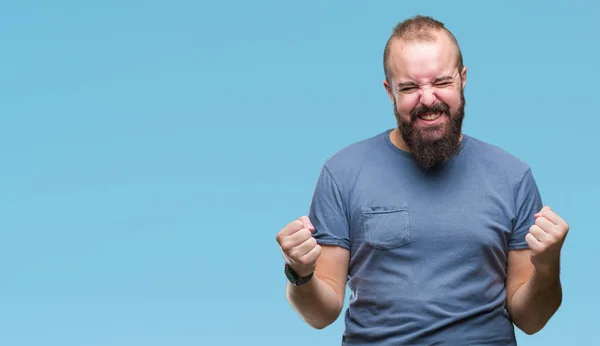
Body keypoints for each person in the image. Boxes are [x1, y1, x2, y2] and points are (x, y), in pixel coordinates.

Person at [275, 15, 569, 345]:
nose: (428, 99)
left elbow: (531, 320)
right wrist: (298, 272)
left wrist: (547, 267)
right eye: (410, 87)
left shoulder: (513, 177)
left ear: (463, 79)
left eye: (442, 82)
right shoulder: (342, 173)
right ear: (390, 91)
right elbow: (321, 314)